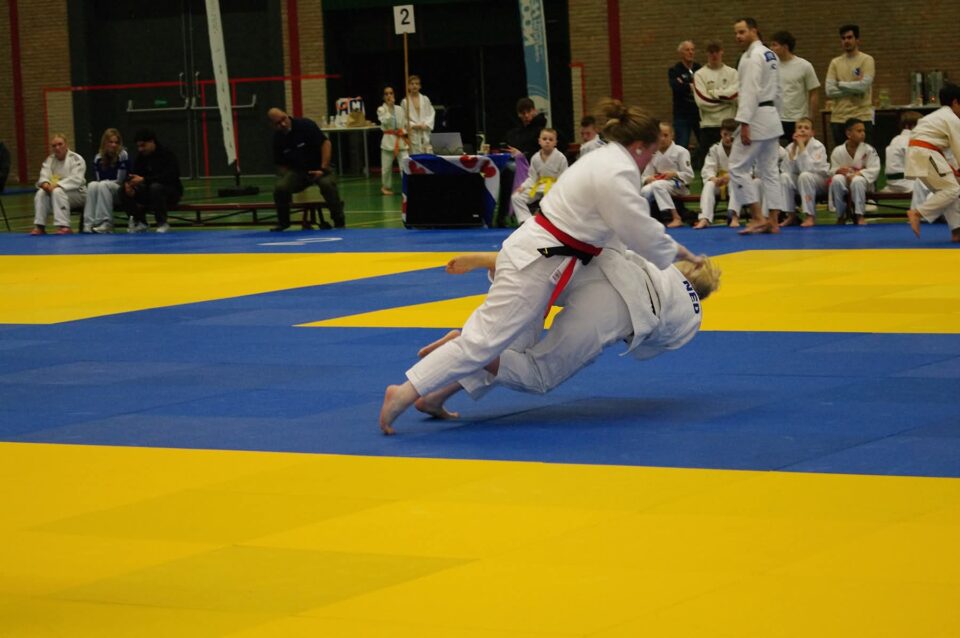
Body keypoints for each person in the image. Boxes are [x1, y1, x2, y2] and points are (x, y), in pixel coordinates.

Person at [379, 99, 705, 434]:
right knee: (483, 344)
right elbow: (640, 231)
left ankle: (433, 395)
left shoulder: (603, 159)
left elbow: (620, 232)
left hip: (547, 256)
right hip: (539, 259)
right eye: (651, 152)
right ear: (639, 146)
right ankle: (403, 393)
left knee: (509, 343)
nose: (651, 159)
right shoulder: (617, 173)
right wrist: (684, 254)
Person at [410, 249, 721, 420]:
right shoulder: (691, 313)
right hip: (619, 306)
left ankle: (435, 397)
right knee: (537, 373)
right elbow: (660, 342)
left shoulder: (659, 264)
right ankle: (469, 345)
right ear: (702, 294)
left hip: (591, 265)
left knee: (511, 343)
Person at [729, 17, 784, 235]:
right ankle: (773, 221)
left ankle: (758, 216)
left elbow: (749, 91)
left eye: (742, 32)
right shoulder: (770, 54)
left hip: (756, 117)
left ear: (754, 31)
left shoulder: (752, 57)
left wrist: (744, 123)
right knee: (770, 171)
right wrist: (777, 115)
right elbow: (778, 90)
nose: (738, 36)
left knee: (736, 167)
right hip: (771, 116)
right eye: (736, 33)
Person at [268, 107, 345, 231]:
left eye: (283, 119)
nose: (283, 124)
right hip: (299, 172)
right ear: (273, 125)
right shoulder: (277, 138)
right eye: (278, 123)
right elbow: (280, 164)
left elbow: (326, 144)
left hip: (320, 167)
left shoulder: (305, 125)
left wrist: (323, 168)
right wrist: (288, 177)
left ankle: (339, 220)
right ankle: (283, 222)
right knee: (281, 188)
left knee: (327, 184)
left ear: (287, 115)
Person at [906, 82, 960, 243]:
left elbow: (951, 152)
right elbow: (958, 148)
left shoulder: (937, 116)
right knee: (952, 189)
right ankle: (917, 213)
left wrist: (956, 171)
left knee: (948, 190)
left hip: (920, 152)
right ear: (955, 102)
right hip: (926, 152)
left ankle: (957, 232)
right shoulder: (952, 119)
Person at [120, 129, 182, 234]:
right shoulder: (141, 158)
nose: (140, 149)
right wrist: (129, 184)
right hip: (149, 192)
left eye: (143, 145)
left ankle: (162, 223)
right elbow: (134, 174)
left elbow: (170, 176)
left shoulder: (167, 154)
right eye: (138, 146)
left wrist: (144, 180)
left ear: (152, 142)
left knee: (156, 188)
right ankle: (140, 222)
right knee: (122, 190)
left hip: (170, 192)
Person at [825, 24, 875, 149]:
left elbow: (863, 87)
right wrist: (854, 89)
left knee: (863, 157)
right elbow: (829, 91)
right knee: (842, 157)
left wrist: (840, 84)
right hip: (839, 119)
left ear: (857, 40)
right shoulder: (835, 63)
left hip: (861, 117)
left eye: (849, 37)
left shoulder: (867, 60)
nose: (846, 41)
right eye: (843, 38)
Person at [768, 31, 820, 145]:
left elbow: (814, 93)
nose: (771, 48)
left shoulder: (805, 66)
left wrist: (811, 119)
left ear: (785, 47)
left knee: (799, 152)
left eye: (774, 45)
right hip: (776, 119)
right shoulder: (771, 67)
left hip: (798, 120)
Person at [641, 122, 694, 228]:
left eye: (665, 135)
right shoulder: (653, 153)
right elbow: (644, 176)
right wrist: (649, 179)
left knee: (658, 185)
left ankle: (675, 217)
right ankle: (645, 219)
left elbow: (689, 176)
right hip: (659, 185)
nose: (662, 139)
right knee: (644, 191)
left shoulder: (681, 151)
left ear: (672, 135)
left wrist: (674, 174)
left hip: (678, 185)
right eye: (660, 135)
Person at [828, 118, 881, 225]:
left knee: (857, 180)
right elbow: (831, 171)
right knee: (837, 179)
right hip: (844, 181)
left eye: (863, 131)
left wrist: (858, 174)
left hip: (863, 183)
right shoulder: (838, 151)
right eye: (859, 131)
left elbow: (874, 169)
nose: (863, 134)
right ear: (849, 133)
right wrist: (838, 170)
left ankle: (859, 215)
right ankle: (841, 215)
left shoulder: (869, 150)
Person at [779, 117, 830, 227]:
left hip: (819, 182)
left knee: (805, 175)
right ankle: (791, 215)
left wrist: (801, 146)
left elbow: (807, 168)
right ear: (795, 131)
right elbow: (786, 169)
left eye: (806, 128)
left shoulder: (818, 146)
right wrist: (794, 147)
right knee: (784, 177)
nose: (802, 130)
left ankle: (810, 216)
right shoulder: (790, 147)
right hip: (802, 181)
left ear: (812, 133)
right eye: (799, 128)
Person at [31, 133, 86, 236]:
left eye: (60, 144)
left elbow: (77, 180)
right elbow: (43, 175)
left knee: (57, 191)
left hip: (78, 194)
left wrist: (57, 185)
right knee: (41, 193)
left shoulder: (76, 159)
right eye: (54, 146)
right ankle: (40, 226)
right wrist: (45, 184)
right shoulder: (49, 160)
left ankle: (64, 226)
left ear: (66, 144)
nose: (57, 148)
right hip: (56, 193)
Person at [511, 128, 568, 224]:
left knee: (550, 200)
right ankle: (525, 221)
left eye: (551, 139)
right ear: (539, 141)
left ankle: (552, 222)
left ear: (555, 143)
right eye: (544, 139)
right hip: (538, 186)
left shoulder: (560, 157)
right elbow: (532, 177)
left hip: (554, 187)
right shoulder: (535, 158)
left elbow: (565, 177)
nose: (547, 142)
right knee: (516, 197)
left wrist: (560, 190)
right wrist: (523, 187)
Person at [692, 40, 738, 156]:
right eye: (711, 52)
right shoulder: (699, 75)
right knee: (708, 163)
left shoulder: (733, 73)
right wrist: (727, 101)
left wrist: (713, 93)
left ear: (722, 52)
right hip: (708, 126)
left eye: (717, 51)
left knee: (733, 161)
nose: (714, 55)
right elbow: (702, 102)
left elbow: (737, 96)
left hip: (730, 125)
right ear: (707, 54)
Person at [694, 119, 740, 229]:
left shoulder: (742, 149)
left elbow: (747, 170)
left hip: (737, 182)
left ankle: (734, 217)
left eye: (731, 135)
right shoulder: (714, 148)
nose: (728, 138)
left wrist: (731, 176)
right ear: (721, 133)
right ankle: (704, 218)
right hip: (720, 183)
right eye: (725, 134)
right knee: (709, 185)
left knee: (734, 183)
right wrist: (713, 178)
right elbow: (708, 168)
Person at [82, 128, 129, 233]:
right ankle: (88, 223)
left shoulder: (123, 155)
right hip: (104, 189)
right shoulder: (98, 158)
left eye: (116, 142)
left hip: (120, 190)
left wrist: (106, 182)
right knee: (92, 185)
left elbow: (120, 180)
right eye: (110, 142)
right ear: (105, 143)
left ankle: (105, 222)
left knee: (103, 184)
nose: (114, 145)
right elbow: (98, 179)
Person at [668, 40, 702, 156]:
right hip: (682, 114)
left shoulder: (699, 68)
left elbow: (703, 86)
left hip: (699, 113)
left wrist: (685, 84)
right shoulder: (675, 70)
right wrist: (690, 86)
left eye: (692, 50)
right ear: (681, 53)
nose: (690, 52)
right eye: (687, 50)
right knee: (682, 145)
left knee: (704, 143)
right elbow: (676, 87)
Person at [376, 85, 408, 196]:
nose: (389, 96)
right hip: (388, 140)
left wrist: (403, 132)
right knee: (386, 168)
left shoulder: (399, 109)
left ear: (394, 95)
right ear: (383, 97)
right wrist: (389, 108)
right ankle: (386, 187)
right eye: (386, 94)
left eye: (391, 93)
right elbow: (385, 121)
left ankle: (407, 185)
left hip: (400, 140)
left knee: (405, 164)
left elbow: (404, 123)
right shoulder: (381, 109)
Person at [882, 110, 922, 193]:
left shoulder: (896, 139)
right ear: (907, 126)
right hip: (906, 183)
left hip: (892, 182)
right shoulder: (911, 140)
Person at [400, 75, 435, 154]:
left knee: (428, 157)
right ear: (408, 86)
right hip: (413, 134)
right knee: (415, 157)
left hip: (424, 132)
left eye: (416, 84)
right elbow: (403, 119)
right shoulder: (405, 102)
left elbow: (431, 113)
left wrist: (426, 124)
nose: (414, 86)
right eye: (412, 84)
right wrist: (414, 125)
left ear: (420, 86)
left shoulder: (425, 99)